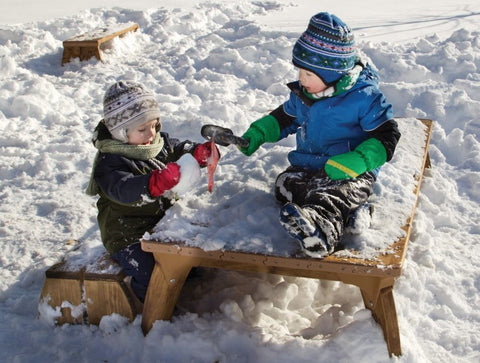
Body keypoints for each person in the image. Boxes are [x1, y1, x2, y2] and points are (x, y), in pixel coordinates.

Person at [239, 12, 401, 258]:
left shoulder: (364, 97)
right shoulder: (305, 94)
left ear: (333, 73)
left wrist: (358, 161)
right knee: (285, 185)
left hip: (347, 171)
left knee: (334, 195)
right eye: (299, 72)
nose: (301, 80)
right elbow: (285, 117)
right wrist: (258, 133)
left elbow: (387, 135)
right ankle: (351, 213)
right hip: (309, 166)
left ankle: (321, 233)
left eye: (308, 75)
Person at [86, 81, 217, 303]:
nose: (152, 133)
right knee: (149, 271)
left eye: (155, 125)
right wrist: (153, 184)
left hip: (156, 222)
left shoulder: (156, 142)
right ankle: (149, 303)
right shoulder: (109, 163)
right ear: (120, 132)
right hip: (126, 235)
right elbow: (124, 190)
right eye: (142, 129)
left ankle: (181, 278)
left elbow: (177, 147)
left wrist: (197, 151)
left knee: (184, 256)